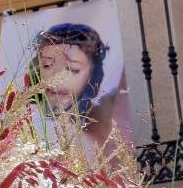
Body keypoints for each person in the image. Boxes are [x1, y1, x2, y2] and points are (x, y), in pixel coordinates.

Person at [27, 22, 131, 154]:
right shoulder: (27, 124)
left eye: (73, 69)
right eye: (47, 65)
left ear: (92, 75)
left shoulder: (106, 130)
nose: (57, 78)